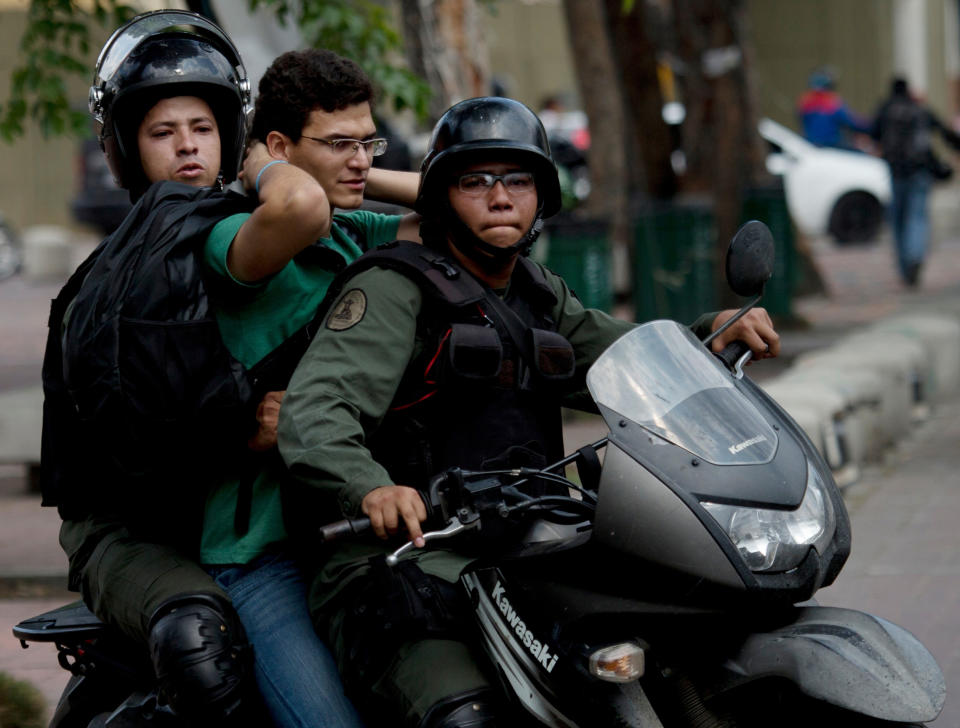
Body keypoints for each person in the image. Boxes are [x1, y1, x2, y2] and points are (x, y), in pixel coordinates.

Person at [276, 96, 779, 726]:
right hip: (404, 563)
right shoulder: (393, 289)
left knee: (659, 658)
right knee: (467, 717)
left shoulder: (537, 292)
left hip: (524, 547)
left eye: (518, 180)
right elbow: (316, 410)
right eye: (474, 181)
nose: (500, 197)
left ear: (542, 196)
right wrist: (370, 488)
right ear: (441, 197)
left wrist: (707, 336)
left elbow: (623, 359)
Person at [50, 12, 417, 727]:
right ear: (127, 144)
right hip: (252, 545)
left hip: (337, 522)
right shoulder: (213, 234)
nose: (188, 146)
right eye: (163, 132)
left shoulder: (304, 223)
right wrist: (262, 162)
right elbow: (299, 207)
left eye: (203, 128)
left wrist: (357, 164)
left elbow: (467, 206)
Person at [870, 76, 960, 287]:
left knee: (898, 221)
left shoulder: (886, 109)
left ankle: (904, 268)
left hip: (896, 173)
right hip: (920, 172)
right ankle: (915, 255)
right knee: (918, 217)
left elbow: (873, 133)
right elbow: (944, 132)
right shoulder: (919, 109)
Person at [796, 67, 870, 149]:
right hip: (831, 146)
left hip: (809, 146)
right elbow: (851, 122)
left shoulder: (805, 101)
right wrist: (871, 126)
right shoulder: (831, 102)